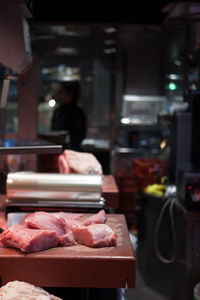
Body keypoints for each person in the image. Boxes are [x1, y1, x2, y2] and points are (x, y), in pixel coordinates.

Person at [51, 81, 87, 151]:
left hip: (72, 151)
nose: (58, 95)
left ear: (70, 95)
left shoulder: (77, 113)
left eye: (61, 92)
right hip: (57, 150)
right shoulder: (58, 111)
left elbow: (78, 136)